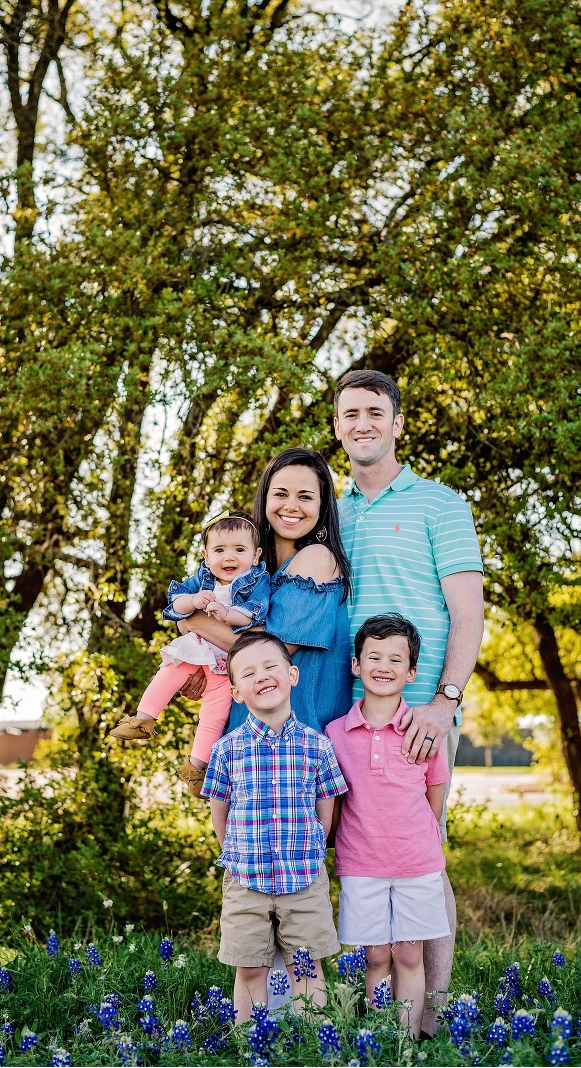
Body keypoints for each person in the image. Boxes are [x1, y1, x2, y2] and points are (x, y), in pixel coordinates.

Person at [333, 369, 484, 1017]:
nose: (362, 423)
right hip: (346, 717)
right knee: (357, 854)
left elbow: (469, 613)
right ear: (337, 428)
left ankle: (434, 1012)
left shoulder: (441, 504)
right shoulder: (330, 514)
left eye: (375, 412)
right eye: (349, 415)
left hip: (421, 714)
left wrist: (445, 699)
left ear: (397, 423)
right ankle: (374, 1010)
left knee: (424, 861)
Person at [201, 630, 348, 1022]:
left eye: (270, 666)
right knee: (249, 967)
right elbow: (220, 808)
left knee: (306, 967)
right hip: (245, 877)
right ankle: (251, 1042)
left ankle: (312, 1042)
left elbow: (326, 807)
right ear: (235, 693)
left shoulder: (317, 746)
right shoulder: (226, 749)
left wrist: (314, 847)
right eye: (247, 673)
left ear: (292, 675)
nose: (261, 676)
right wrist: (231, 854)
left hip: (303, 876)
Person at [326, 614, 451, 1040]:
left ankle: (407, 1041)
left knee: (409, 955)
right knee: (375, 957)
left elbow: (435, 792)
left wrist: (418, 835)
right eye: (373, 656)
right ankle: (379, 1040)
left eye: (396, 659)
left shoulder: (423, 729)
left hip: (417, 861)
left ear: (411, 672)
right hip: (361, 863)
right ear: (357, 665)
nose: (384, 665)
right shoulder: (335, 733)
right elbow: (337, 801)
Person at [177, 447, 354, 737]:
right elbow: (185, 599)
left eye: (306, 497)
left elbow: (274, 653)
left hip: (295, 735)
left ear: (322, 506)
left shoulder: (317, 559)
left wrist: (192, 621)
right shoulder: (245, 565)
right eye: (281, 494)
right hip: (242, 728)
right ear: (266, 498)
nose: (292, 506)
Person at [109, 512, 270, 795]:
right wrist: (193, 600)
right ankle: (143, 718)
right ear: (206, 557)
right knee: (169, 673)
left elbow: (254, 614)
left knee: (215, 713)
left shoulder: (258, 580)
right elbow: (176, 604)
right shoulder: (203, 578)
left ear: (256, 555)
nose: (229, 558)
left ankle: (196, 769)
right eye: (219, 550)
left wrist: (228, 613)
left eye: (239, 550)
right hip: (196, 650)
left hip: (225, 662)